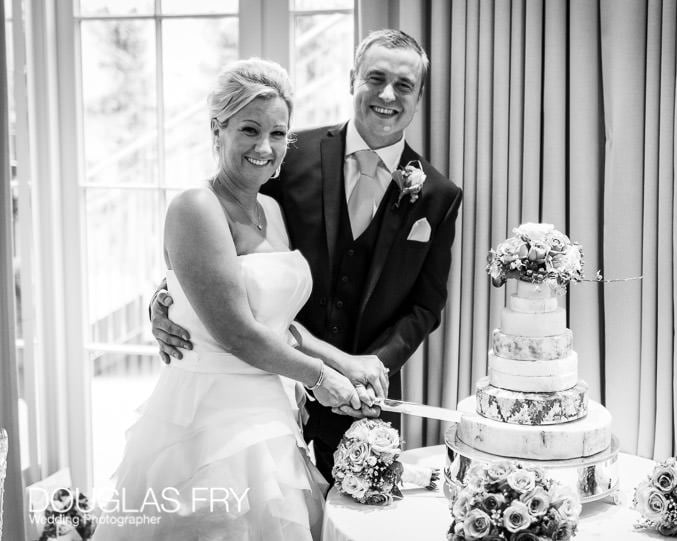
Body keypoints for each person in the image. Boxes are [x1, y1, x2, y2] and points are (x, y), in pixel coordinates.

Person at [151, 29, 464, 483]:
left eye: (404, 85)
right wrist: (167, 298)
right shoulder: (285, 155)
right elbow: (218, 252)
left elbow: (426, 304)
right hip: (266, 384)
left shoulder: (438, 194)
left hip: (363, 398)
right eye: (374, 78)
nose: (387, 95)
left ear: (419, 96)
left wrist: (375, 364)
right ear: (352, 78)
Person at [95, 58, 365, 541]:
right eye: (249, 129)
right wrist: (323, 377)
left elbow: (275, 322)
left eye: (278, 134)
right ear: (216, 130)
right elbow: (237, 329)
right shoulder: (196, 206)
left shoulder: (273, 209)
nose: (265, 147)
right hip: (212, 422)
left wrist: (341, 360)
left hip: (270, 410)